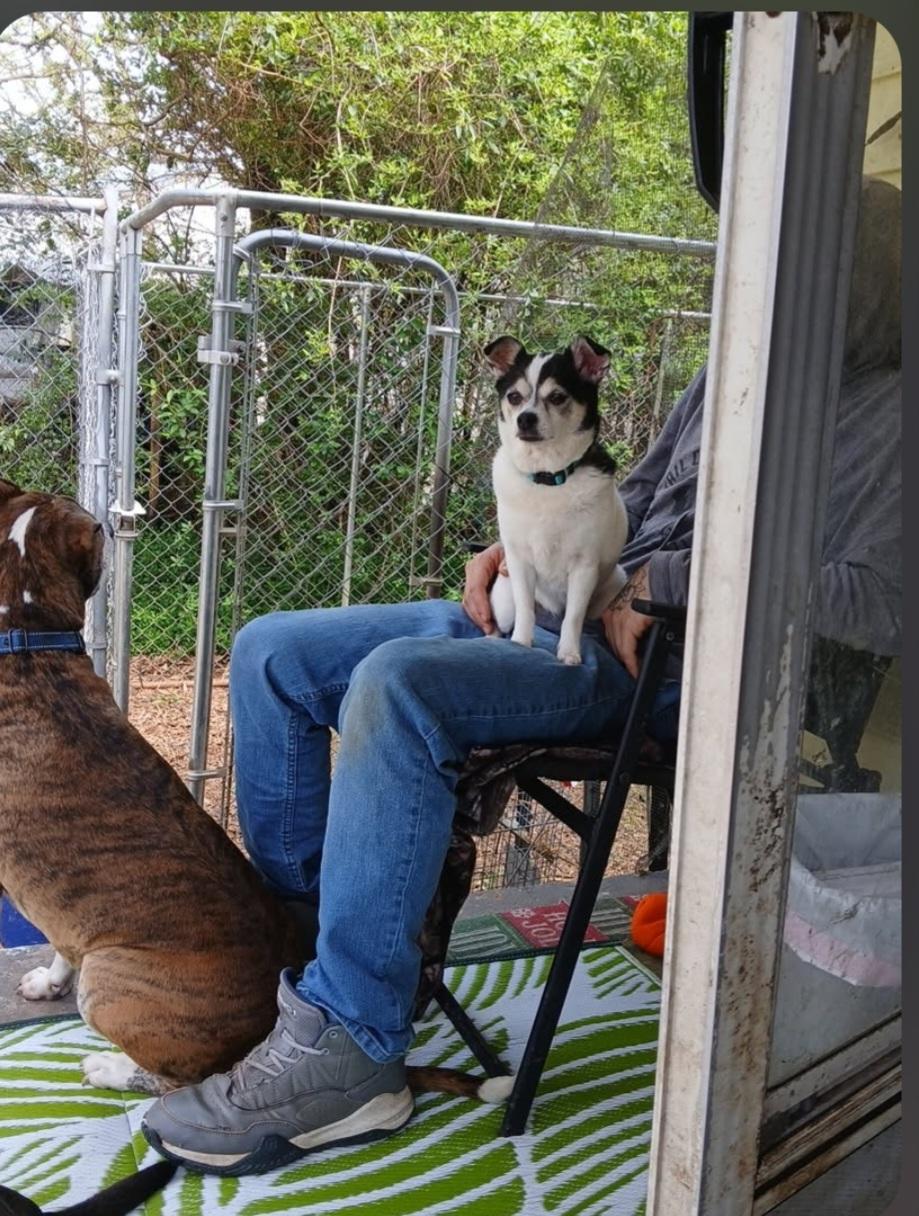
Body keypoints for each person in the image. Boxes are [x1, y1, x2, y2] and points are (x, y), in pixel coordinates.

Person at [142, 178, 900, 1174]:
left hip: (679, 663)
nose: (764, 283)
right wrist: (536, 539)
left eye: (797, 264)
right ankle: (321, 962)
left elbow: (878, 603)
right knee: (272, 650)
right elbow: (630, 493)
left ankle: (350, 1049)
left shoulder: (893, 413)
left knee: (398, 685)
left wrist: (659, 584)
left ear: (861, 284)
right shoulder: (741, 369)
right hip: (574, 595)